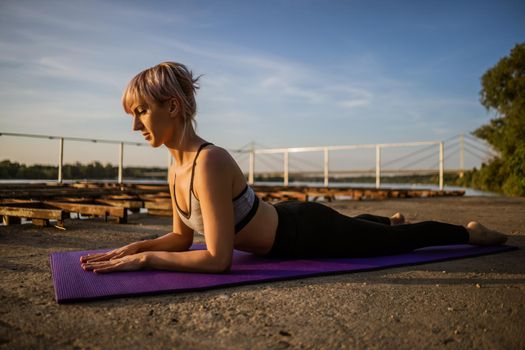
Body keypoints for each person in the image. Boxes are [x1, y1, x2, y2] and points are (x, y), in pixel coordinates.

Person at [80, 62, 508, 274]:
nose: (136, 125)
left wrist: (149, 262)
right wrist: (135, 248)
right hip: (286, 225)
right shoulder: (175, 168)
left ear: (171, 107)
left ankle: (471, 232)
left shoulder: (209, 161)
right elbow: (182, 236)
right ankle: (384, 219)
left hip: (305, 232)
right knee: (369, 229)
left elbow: (218, 258)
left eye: (141, 112)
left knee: (401, 242)